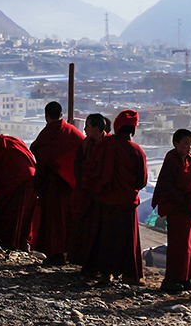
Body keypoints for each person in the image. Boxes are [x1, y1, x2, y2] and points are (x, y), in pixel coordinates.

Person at [81, 110, 148, 285]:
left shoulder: (104, 145)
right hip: (126, 202)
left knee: (105, 237)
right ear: (133, 129)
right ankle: (129, 275)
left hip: (105, 200)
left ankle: (105, 274)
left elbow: (91, 171)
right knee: (127, 239)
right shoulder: (136, 151)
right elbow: (142, 181)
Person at [29, 101, 84, 265]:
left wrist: (38, 184)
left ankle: (55, 255)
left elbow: (39, 153)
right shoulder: (73, 132)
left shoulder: (46, 134)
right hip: (70, 184)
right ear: (61, 114)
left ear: (46, 116)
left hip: (52, 185)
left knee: (53, 222)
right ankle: (70, 253)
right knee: (68, 220)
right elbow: (81, 154)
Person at [151, 128, 191, 292]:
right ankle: (172, 279)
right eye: (186, 143)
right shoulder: (172, 160)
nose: (189, 147)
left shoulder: (190, 161)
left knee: (188, 245)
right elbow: (167, 187)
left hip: (188, 208)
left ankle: (186, 278)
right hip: (177, 208)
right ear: (175, 144)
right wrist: (182, 202)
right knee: (177, 246)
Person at [0, 131, 37, 250]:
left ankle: (11, 242)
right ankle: (23, 241)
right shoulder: (13, 140)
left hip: (18, 180)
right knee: (25, 213)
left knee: (10, 211)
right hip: (32, 176)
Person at [67, 113, 110, 269]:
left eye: (88, 126)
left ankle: (102, 266)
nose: (84, 129)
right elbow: (78, 165)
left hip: (103, 195)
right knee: (84, 228)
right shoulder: (86, 144)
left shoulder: (108, 145)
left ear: (96, 129)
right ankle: (86, 262)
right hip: (86, 193)